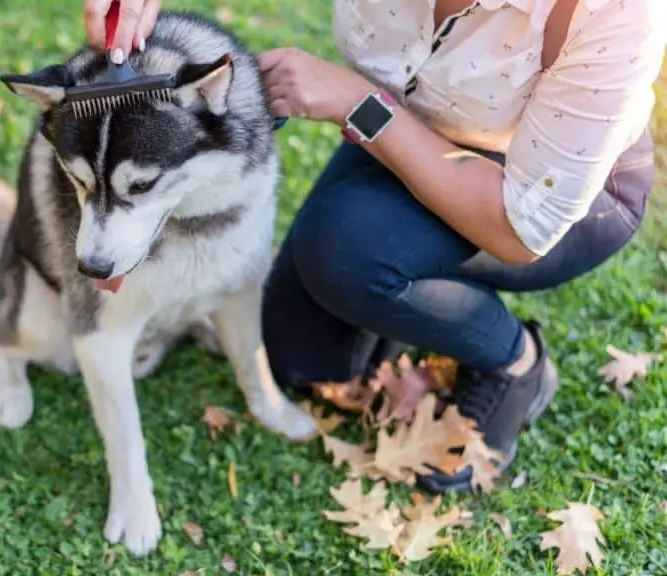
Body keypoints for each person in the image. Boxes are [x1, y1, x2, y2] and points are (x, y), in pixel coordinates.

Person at [83, 0, 666, 493]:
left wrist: (356, 103)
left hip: (542, 195)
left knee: (346, 250)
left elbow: (520, 228)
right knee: (298, 355)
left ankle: (513, 361)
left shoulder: (619, 14)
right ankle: (403, 280)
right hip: (411, 125)